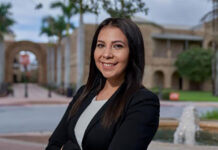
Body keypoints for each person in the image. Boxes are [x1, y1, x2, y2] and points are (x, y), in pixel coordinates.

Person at [46, 17, 160, 150]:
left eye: (117, 46)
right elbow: (53, 144)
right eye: (100, 45)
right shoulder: (84, 92)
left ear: (133, 52)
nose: (106, 54)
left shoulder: (143, 102)